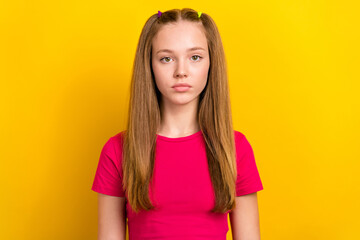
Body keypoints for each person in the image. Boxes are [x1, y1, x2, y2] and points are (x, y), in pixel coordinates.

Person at [91, 8, 264, 240]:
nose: (181, 71)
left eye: (195, 57)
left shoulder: (235, 148)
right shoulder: (118, 150)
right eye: (166, 58)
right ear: (149, 65)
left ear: (211, 63)